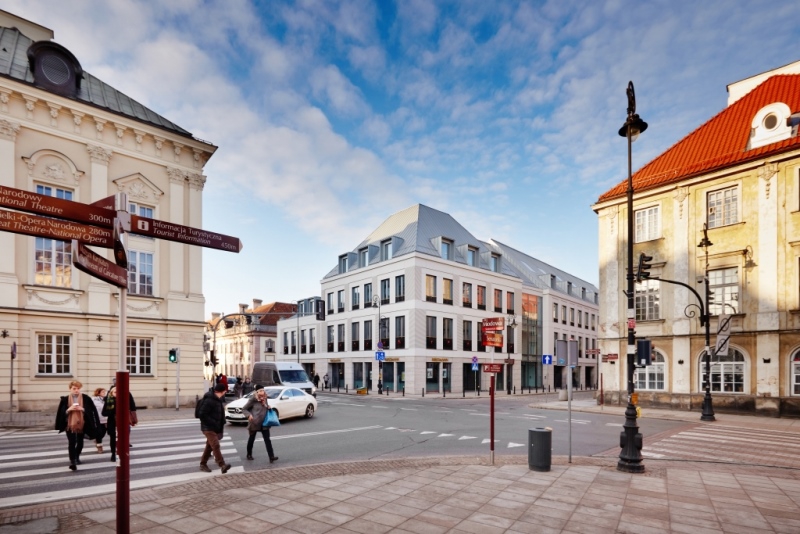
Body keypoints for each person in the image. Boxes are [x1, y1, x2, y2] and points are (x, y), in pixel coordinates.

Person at [55, 380, 101, 471]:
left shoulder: (86, 398)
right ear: (70, 389)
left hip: (82, 423)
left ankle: (77, 456)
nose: (76, 390)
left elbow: (92, 411)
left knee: (80, 441)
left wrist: (82, 409)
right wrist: (69, 409)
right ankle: (73, 459)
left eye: (78, 388)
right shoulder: (65, 399)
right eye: (74, 388)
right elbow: (61, 413)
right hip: (70, 424)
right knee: (72, 442)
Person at [197, 383, 231, 473]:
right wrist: (213, 422)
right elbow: (202, 414)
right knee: (215, 445)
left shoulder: (217, 399)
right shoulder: (209, 400)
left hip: (214, 427)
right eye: (225, 391)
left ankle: (203, 464)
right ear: (223, 391)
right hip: (208, 427)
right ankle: (222, 465)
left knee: (209, 446)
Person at [242, 386, 278, 463]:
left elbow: (264, 408)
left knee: (267, 440)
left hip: (264, 422)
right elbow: (244, 409)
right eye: (260, 391)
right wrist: (249, 415)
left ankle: (271, 456)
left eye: (263, 390)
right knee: (251, 439)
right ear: (257, 392)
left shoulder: (265, 398)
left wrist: (268, 407)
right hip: (255, 422)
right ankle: (249, 454)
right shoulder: (253, 399)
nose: (262, 392)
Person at [102, 386, 137, 462]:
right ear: (111, 393)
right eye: (115, 392)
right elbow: (104, 413)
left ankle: (122, 453)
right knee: (113, 438)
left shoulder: (124, 400)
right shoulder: (109, 401)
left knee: (123, 438)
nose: (117, 394)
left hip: (123, 422)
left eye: (119, 392)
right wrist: (113, 411)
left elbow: (132, 407)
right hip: (112, 422)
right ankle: (113, 454)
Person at [91, 387, 108, 453]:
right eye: (103, 392)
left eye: (105, 392)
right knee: (99, 433)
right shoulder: (94, 400)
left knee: (103, 433)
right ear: (98, 393)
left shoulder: (105, 399)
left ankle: (97, 441)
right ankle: (99, 446)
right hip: (98, 419)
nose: (104, 393)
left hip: (106, 419)